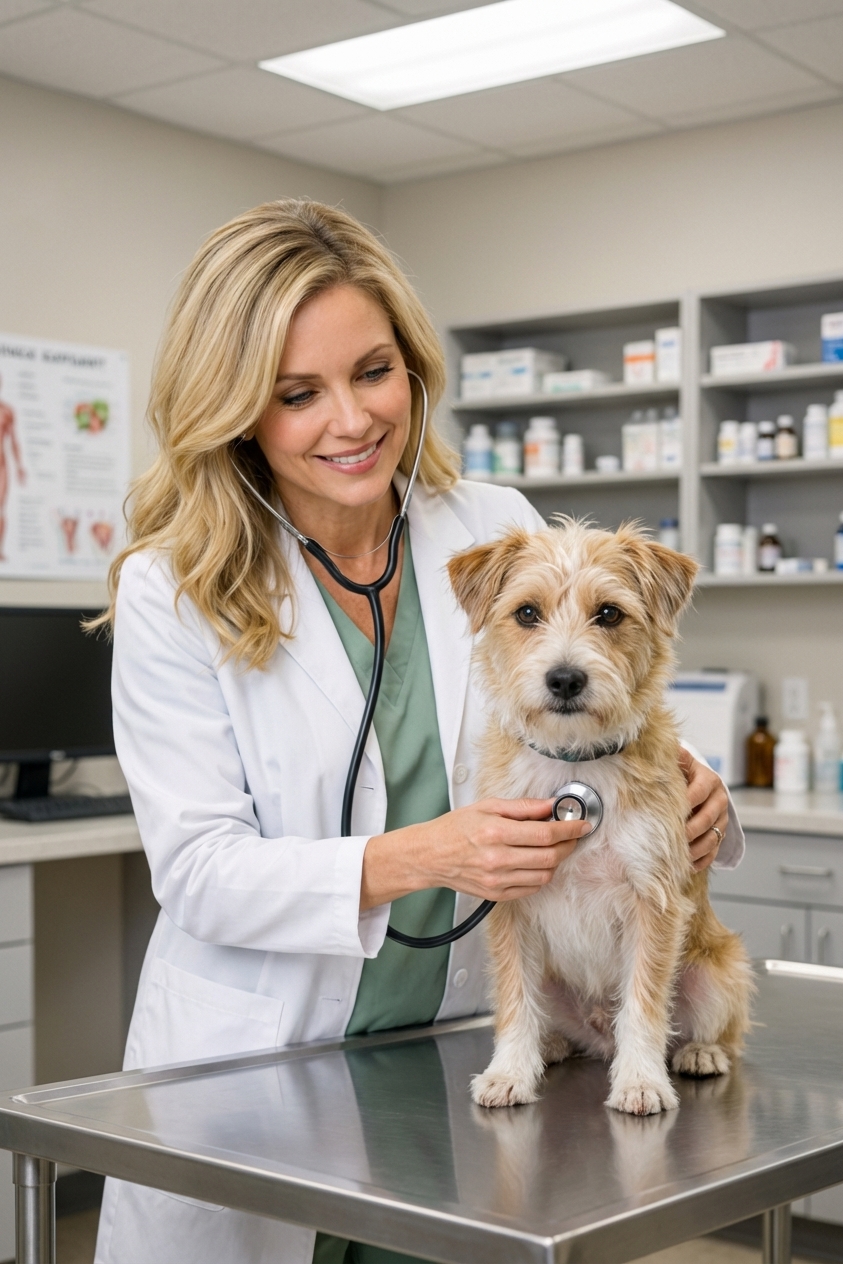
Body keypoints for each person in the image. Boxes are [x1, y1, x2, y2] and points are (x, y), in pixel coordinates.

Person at [93, 200, 741, 1264]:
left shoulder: (490, 525)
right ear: (235, 409)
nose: (350, 420)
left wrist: (697, 784)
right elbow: (198, 870)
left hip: (459, 1058)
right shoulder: (177, 588)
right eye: (297, 394)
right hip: (267, 1058)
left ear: (414, 368)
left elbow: (581, 701)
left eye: (374, 371)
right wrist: (424, 854)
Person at [0, 374, 26, 561]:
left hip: (1, 465)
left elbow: (14, 440)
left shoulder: (6, 411)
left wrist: (19, 466)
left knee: (1, 509)